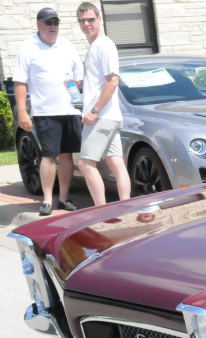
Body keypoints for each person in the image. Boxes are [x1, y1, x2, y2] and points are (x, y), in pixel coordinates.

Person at [13, 7, 83, 216]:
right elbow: (20, 82)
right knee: (49, 156)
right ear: (39, 24)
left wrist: (77, 87)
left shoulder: (67, 45)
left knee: (67, 156)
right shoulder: (28, 48)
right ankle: (47, 200)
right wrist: (22, 112)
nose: (53, 27)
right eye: (48, 22)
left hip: (71, 110)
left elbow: (79, 77)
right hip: (45, 112)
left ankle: (63, 198)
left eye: (55, 23)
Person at [75, 2, 130, 206]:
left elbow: (112, 81)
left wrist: (94, 111)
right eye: (82, 21)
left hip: (101, 117)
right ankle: (125, 207)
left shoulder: (104, 45)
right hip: (109, 116)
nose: (86, 24)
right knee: (116, 162)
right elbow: (100, 82)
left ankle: (101, 210)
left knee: (85, 164)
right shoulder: (95, 46)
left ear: (99, 19)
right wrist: (81, 85)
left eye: (90, 19)